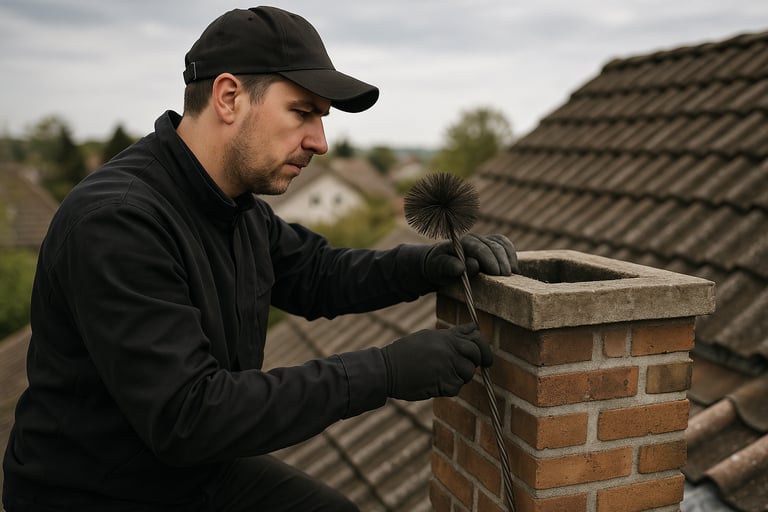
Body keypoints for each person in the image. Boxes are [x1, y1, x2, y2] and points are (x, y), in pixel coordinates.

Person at [2, 6, 517, 512]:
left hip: (191, 473)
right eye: (303, 112)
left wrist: (426, 265)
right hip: (94, 491)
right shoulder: (118, 222)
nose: (320, 142)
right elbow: (189, 415)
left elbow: (318, 274)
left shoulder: (235, 206)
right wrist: (385, 371)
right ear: (229, 97)